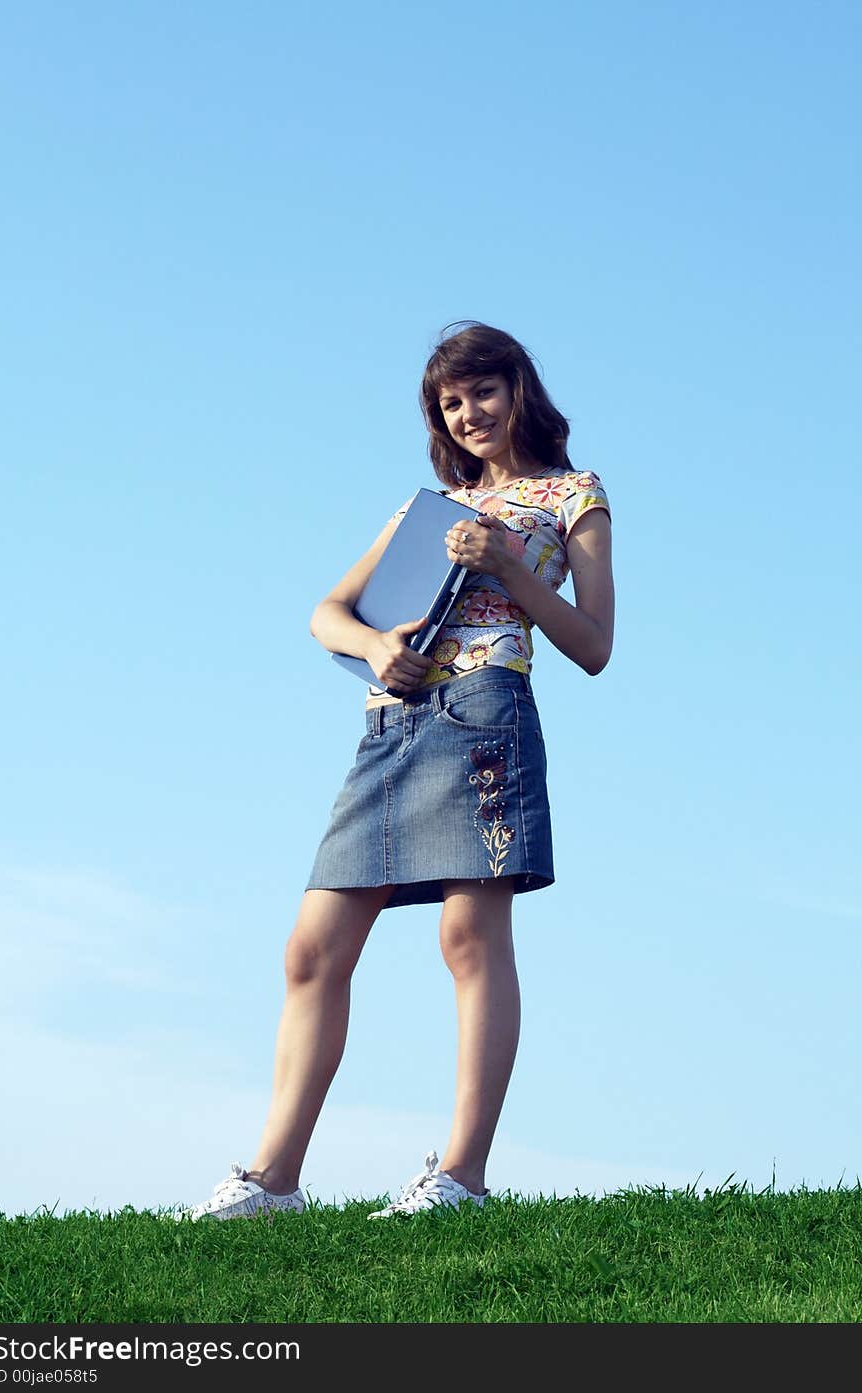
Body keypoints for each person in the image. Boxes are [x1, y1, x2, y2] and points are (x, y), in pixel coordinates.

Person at [179, 321, 614, 1221]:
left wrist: (506, 565)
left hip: (489, 709)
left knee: (468, 940)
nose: (469, 414)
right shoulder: (426, 509)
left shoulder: (575, 493)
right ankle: (273, 1181)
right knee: (312, 948)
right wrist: (378, 647)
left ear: (519, 387)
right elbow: (325, 613)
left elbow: (595, 643)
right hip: (391, 725)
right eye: (451, 404)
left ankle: (460, 1177)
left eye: (482, 391)